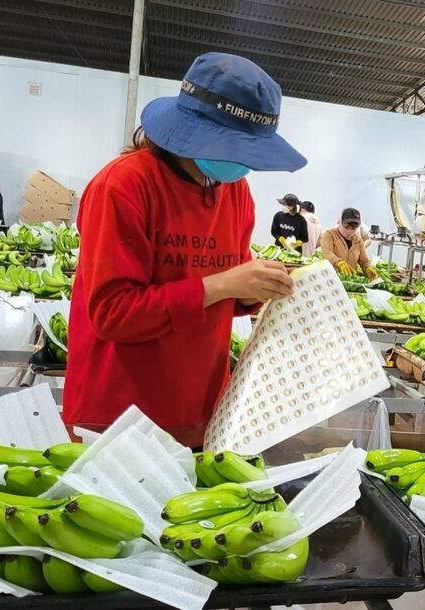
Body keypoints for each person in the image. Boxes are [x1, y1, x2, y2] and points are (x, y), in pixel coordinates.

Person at [62, 52, 305, 445]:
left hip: (202, 412)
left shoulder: (236, 193)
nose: (240, 165)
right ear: (192, 131)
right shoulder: (123, 187)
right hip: (119, 418)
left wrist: (254, 289)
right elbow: (113, 314)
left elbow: (222, 287)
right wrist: (223, 284)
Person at [321, 208, 378, 280]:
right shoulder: (330, 234)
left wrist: (368, 268)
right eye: (347, 226)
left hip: (350, 280)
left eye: (354, 226)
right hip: (331, 279)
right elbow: (327, 253)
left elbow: (364, 261)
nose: (350, 230)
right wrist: (339, 263)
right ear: (340, 222)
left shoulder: (358, 240)